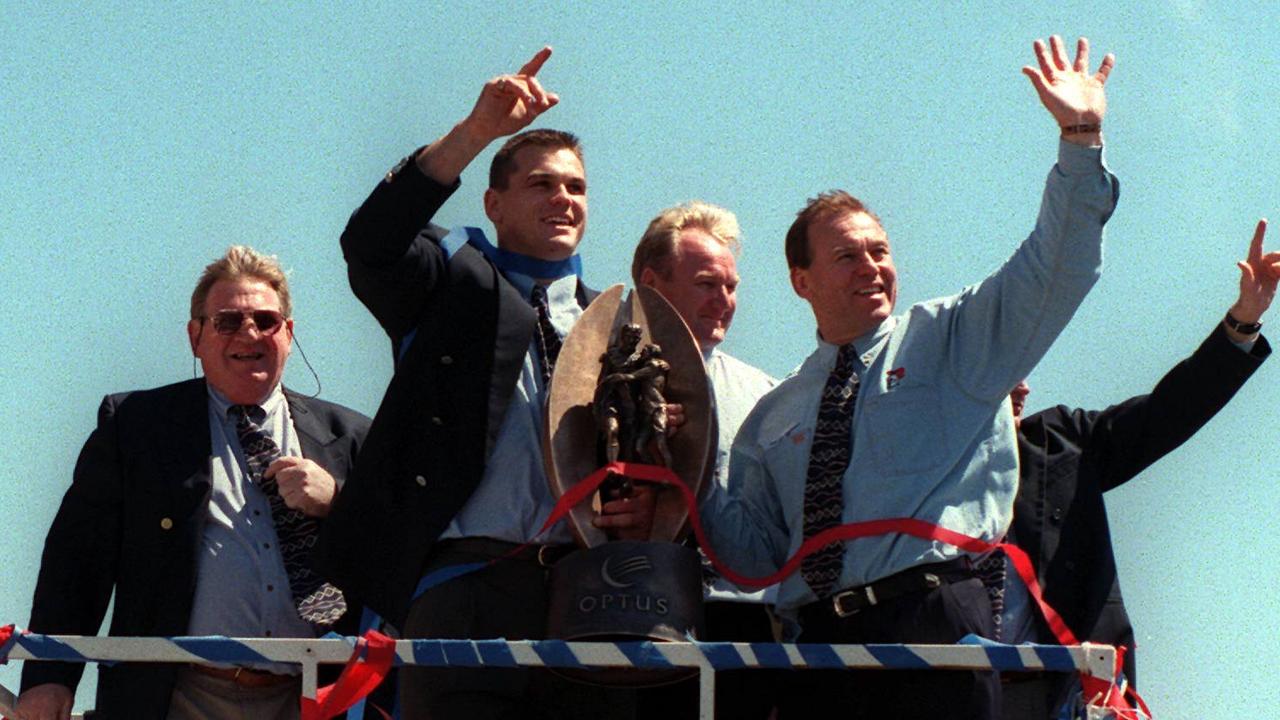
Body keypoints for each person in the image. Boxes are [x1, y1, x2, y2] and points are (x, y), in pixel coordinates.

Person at [700, 36, 1119, 719]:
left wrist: (1080, 137)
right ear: (801, 281)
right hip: (815, 652)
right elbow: (751, 559)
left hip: (933, 628)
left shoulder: (950, 341)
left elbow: (1058, 269)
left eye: (880, 250)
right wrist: (684, 456)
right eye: (845, 255)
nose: (870, 266)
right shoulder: (773, 416)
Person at [317, 47, 650, 719]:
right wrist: (475, 134)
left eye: (575, 187)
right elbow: (371, 243)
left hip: (588, 595)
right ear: (493, 203)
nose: (563, 199)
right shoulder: (450, 279)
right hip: (462, 588)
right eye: (542, 184)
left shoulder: (619, 323)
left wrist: (644, 508)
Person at [16, 246, 370, 720]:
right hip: (179, 693)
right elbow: (76, 562)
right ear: (195, 337)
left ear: (288, 334)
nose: (249, 332)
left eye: (265, 320)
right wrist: (49, 677)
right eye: (228, 321)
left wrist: (339, 504)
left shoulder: (349, 437)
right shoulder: (136, 427)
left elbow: (400, 560)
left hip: (318, 695)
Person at [994, 219, 1277, 719]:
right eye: (1005, 373)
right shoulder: (911, 465)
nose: (1024, 388)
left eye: (1025, 370)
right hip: (952, 688)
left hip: (1076, 695)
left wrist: (1242, 321)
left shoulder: (1059, 441)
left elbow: (1168, 413)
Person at [631, 201, 779, 719]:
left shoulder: (768, 397)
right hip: (631, 617)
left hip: (744, 626)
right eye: (706, 284)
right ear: (652, 283)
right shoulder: (588, 380)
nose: (723, 300)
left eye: (731, 287)